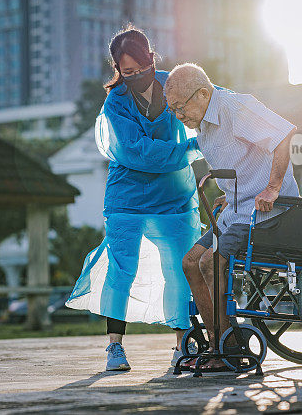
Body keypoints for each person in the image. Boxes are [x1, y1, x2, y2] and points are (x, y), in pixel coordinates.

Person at [66, 27, 202, 371]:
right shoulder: (116, 101)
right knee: (121, 268)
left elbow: (209, 98)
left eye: (140, 70)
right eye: (126, 73)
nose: (135, 78)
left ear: (151, 60)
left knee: (180, 270)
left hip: (173, 196)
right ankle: (114, 347)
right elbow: (136, 152)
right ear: (118, 70)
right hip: (128, 197)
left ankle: (182, 345)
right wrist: (189, 148)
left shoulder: (175, 83)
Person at [163, 63, 299, 370]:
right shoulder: (203, 122)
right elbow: (242, 158)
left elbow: (283, 135)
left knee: (210, 262)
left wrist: (273, 188)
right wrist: (233, 192)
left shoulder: (236, 107)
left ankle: (230, 348)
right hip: (238, 209)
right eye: (172, 110)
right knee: (190, 262)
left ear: (202, 94)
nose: (178, 116)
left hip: (266, 211)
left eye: (180, 108)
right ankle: (216, 343)